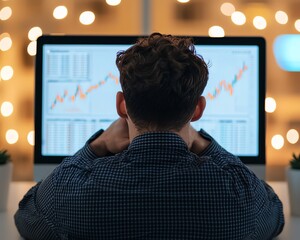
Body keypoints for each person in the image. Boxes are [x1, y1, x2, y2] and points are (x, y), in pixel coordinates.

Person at [15, 33, 284, 239]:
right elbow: (273, 211)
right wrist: (205, 145)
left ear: (121, 105)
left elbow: (28, 214)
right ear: (198, 109)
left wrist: (96, 147)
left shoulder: (71, 194)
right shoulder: (240, 198)